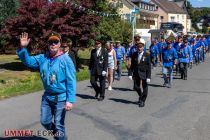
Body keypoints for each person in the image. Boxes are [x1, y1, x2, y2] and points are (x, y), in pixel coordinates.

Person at [17, 32, 76, 140]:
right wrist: (23, 48)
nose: (53, 44)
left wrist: (70, 100)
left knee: (59, 125)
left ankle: (60, 135)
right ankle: (59, 135)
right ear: (47, 44)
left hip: (61, 98)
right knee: (45, 121)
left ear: (59, 44)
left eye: (55, 42)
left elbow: (71, 80)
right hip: (47, 97)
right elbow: (28, 62)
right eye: (50, 42)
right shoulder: (42, 58)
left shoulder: (66, 60)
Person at [130, 40, 151, 107]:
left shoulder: (147, 55)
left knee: (145, 87)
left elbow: (149, 67)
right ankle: (141, 96)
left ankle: (142, 101)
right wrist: (130, 73)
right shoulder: (134, 54)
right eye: (138, 47)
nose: (139, 48)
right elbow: (132, 65)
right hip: (136, 73)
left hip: (144, 73)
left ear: (143, 47)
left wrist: (148, 77)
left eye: (141, 47)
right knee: (136, 87)